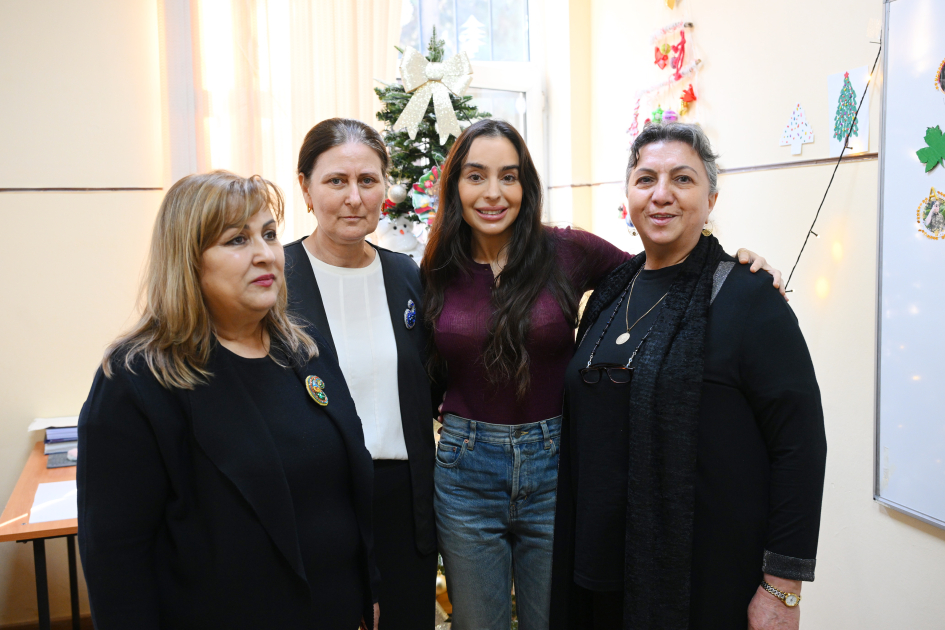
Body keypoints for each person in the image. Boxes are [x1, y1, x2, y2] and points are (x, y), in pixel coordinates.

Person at [421, 118, 785, 630]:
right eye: (476, 176)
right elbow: (424, 373)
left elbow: (664, 269)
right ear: (455, 185)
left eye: (509, 176)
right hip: (466, 472)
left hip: (556, 467)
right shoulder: (436, 267)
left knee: (557, 619)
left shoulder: (566, 250)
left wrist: (735, 265)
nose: (493, 193)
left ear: (527, 184)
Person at [549, 122, 828, 630]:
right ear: (629, 196)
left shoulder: (748, 298)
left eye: (682, 179)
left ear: (711, 198)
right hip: (597, 571)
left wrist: (782, 587)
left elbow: (800, 446)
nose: (662, 195)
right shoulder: (610, 292)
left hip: (701, 581)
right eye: (646, 179)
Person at [77, 171, 379, 630]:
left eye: (269, 234)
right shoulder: (137, 379)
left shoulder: (305, 349)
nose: (265, 254)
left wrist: (367, 588)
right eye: (237, 240)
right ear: (188, 260)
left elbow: (345, 496)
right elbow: (116, 558)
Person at [284, 118, 438, 630]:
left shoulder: (406, 275)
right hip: (316, 502)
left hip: (402, 504)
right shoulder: (275, 281)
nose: (354, 197)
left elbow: (429, 381)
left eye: (367, 181)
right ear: (305, 187)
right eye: (336, 181)